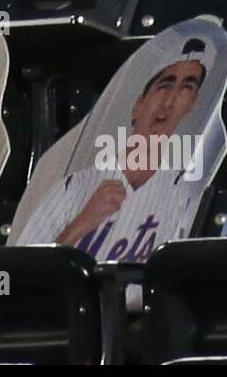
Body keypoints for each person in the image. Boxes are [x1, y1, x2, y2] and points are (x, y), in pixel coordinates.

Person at [13, 36, 214, 261]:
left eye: (186, 87)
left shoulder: (185, 196)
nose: (170, 101)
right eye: (164, 85)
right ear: (138, 105)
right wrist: (82, 223)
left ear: (192, 104)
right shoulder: (73, 187)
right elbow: (24, 276)